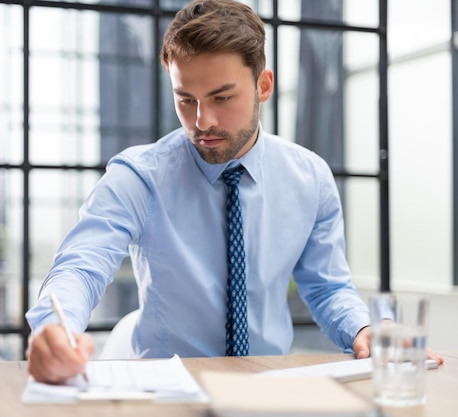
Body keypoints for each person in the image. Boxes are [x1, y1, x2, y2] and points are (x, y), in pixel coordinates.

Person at [25, 0, 443, 384]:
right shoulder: (140, 175)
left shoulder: (310, 178)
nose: (202, 121)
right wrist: (55, 329)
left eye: (222, 97)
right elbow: (80, 267)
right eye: (185, 99)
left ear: (263, 85)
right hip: (164, 388)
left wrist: (362, 329)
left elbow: (327, 286)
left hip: (270, 385)